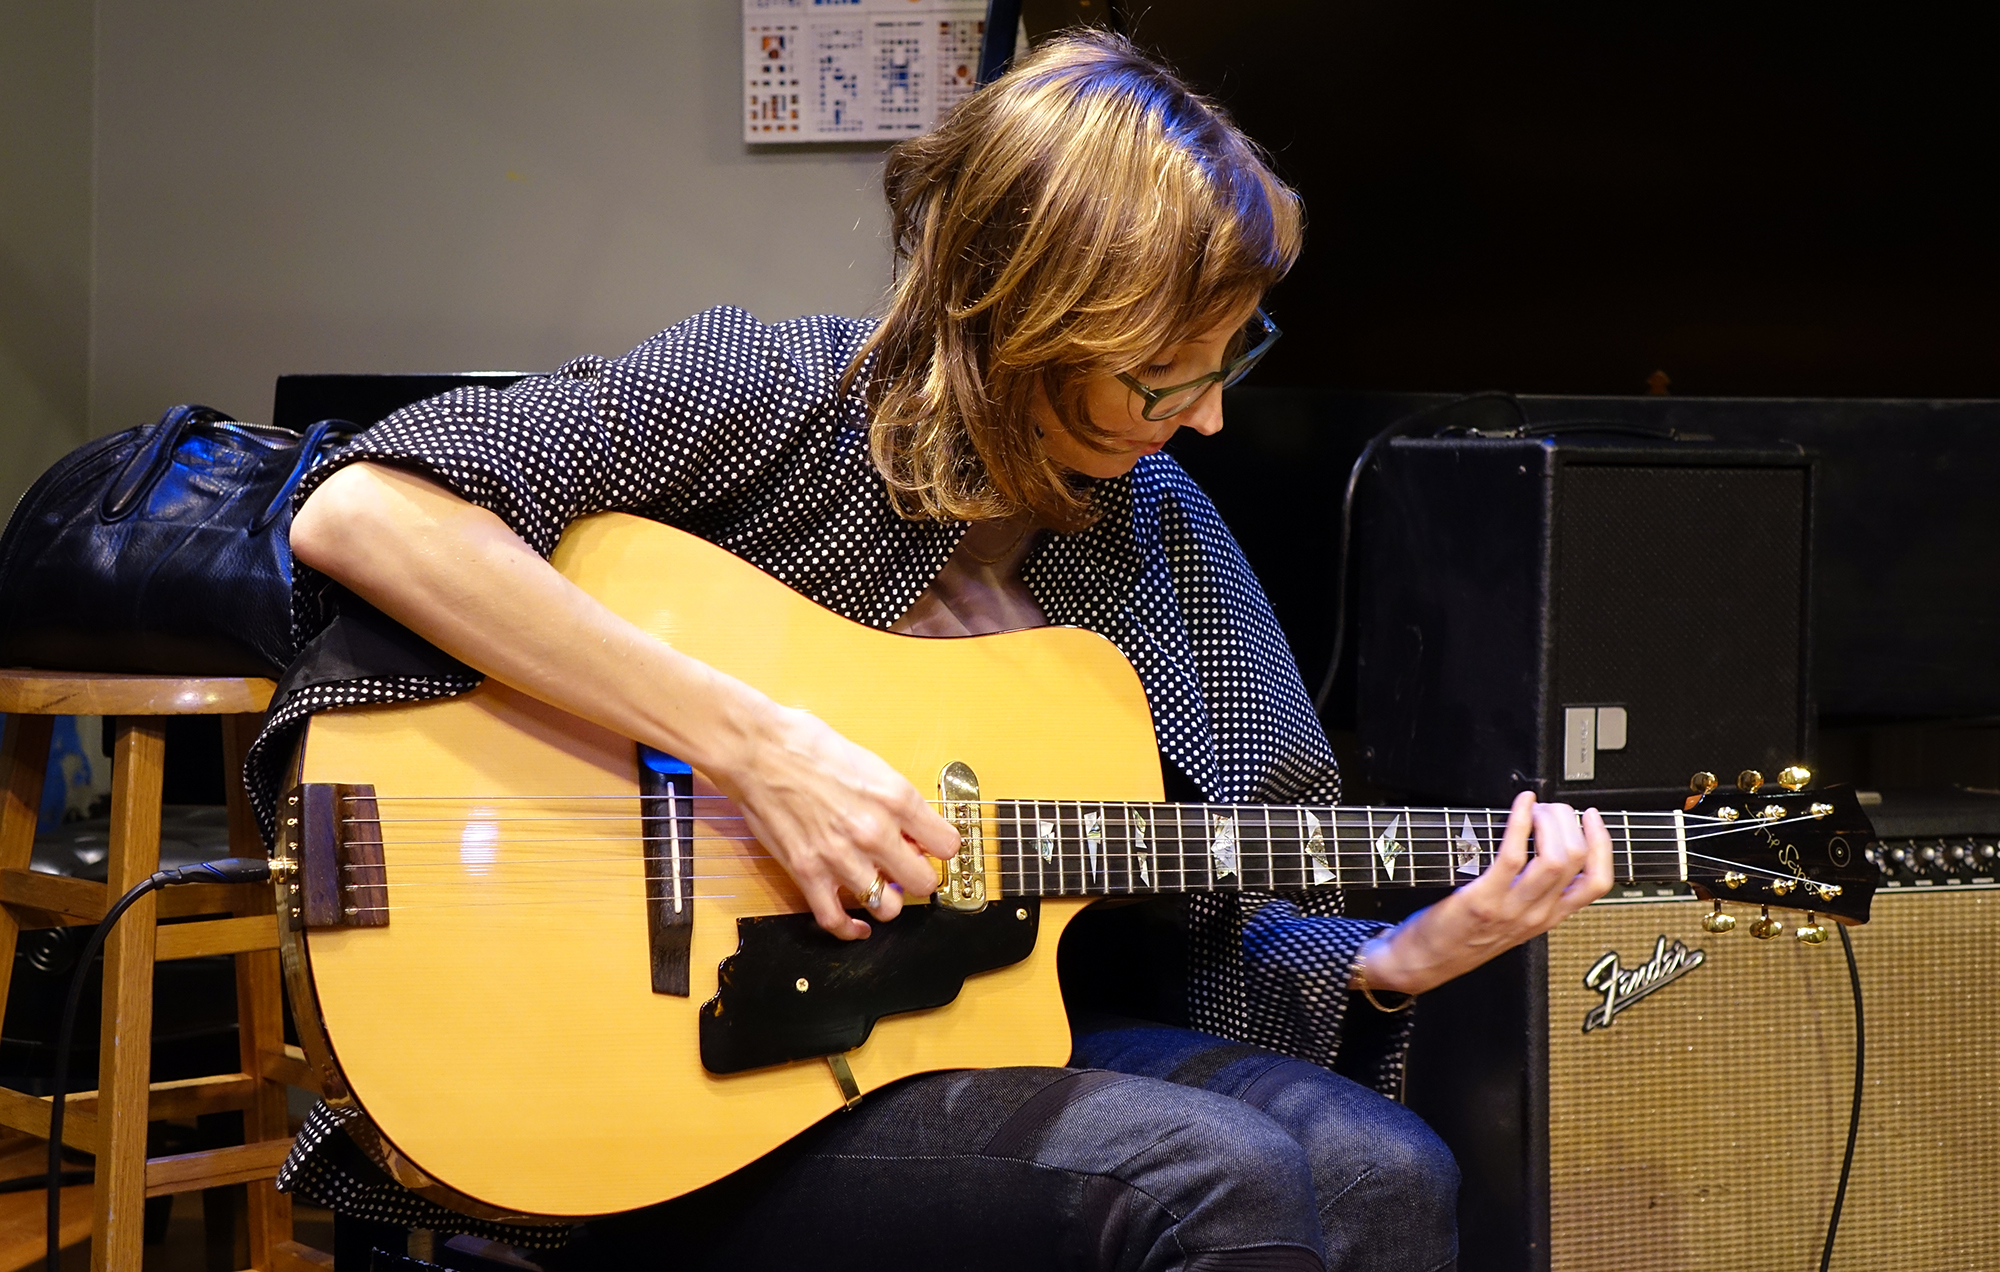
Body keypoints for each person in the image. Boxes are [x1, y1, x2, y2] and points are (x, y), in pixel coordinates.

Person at [262, 31, 1612, 1272]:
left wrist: (1400, 959)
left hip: (977, 1039)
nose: (1203, 419)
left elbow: (1217, 923)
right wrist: (752, 746)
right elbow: (365, 509)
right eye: (1161, 377)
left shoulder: (1162, 534)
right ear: (1027, 323)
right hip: (695, 1076)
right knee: (1224, 1176)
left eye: (1228, 361)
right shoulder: (783, 397)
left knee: (1386, 1171)